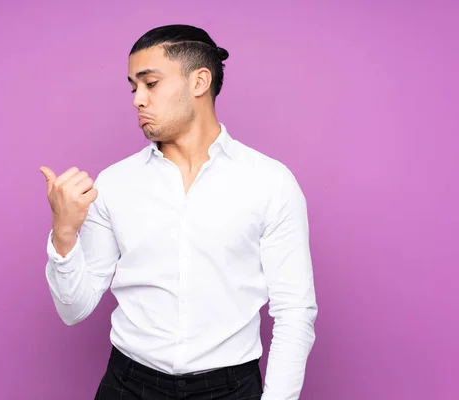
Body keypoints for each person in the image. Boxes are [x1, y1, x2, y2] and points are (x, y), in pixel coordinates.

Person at [39, 24, 317, 400]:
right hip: (128, 387)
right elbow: (74, 309)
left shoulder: (270, 182)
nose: (137, 99)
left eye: (150, 83)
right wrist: (64, 234)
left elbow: (294, 311)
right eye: (133, 87)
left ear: (199, 81)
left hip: (231, 390)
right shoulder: (116, 182)